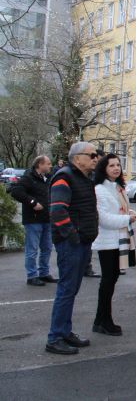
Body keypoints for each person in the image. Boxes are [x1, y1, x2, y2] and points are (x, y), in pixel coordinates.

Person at [45, 142, 99, 355]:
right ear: (77, 158)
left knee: (71, 290)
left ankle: (64, 332)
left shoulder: (84, 178)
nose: (96, 158)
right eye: (91, 155)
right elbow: (58, 211)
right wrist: (73, 236)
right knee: (67, 290)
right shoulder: (64, 177)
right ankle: (55, 337)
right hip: (71, 243)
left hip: (82, 241)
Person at [92, 153, 136, 336]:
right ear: (103, 168)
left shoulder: (118, 187)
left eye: (118, 164)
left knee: (112, 280)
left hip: (119, 239)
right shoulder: (100, 189)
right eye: (111, 165)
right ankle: (103, 321)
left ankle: (102, 319)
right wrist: (127, 219)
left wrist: (129, 213)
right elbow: (103, 219)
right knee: (108, 281)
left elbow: (120, 210)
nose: (116, 168)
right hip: (108, 241)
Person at [10, 155, 55, 286]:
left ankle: (44, 273)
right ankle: (32, 275)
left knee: (47, 248)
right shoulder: (28, 178)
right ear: (40, 165)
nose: (50, 166)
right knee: (32, 249)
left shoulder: (48, 178)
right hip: (33, 220)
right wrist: (32, 202)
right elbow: (15, 191)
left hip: (47, 218)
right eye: (48, 163)